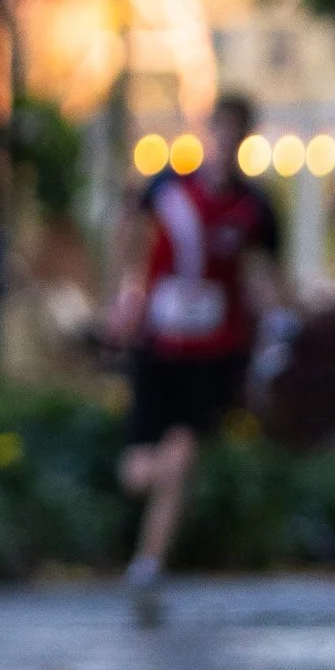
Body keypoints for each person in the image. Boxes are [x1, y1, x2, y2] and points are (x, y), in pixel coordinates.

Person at [110, 94, 282, 624]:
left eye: (237, 132)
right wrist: (125, 293)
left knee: (183, 455)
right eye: (221, 129)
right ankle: (147, 546)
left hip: (213, 352)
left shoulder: (255, 208)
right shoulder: (168, 188)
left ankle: (149, 562)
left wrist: (277, 332)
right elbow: (127, 229)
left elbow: (266, 278)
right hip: (158, 346)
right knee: (142, 469)